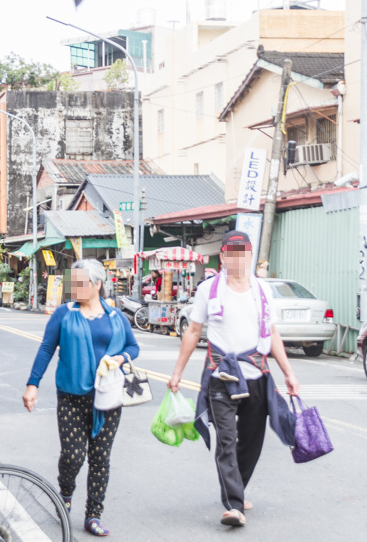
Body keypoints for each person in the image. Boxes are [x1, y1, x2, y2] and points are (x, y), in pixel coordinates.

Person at [167, 230, 299, 528]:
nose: (238, 258)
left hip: (257, 375)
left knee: (251, 442)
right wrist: (177, 373)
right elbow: (192, 331)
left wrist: (289, 374)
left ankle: (237, 486)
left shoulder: (263, 290)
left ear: (250, 257)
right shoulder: (208, 290)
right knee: (226, 439)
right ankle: (234, 505)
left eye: (244, 253)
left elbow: (273, 333)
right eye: (232, 253)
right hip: (221, 376)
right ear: (223, 257)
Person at [22, 259, 139, 537]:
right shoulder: (63, 314)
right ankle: (65, 492)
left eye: (80, 282)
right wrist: (32, 384)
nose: (73, 287)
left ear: (97, 284)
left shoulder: (116, 317)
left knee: (100, 457)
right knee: (73, 457)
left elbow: (133, 347)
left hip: (107, 398)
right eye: (71, 281)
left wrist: (120, 357)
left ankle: (93, 514)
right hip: (71, 396)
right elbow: (46, 349)